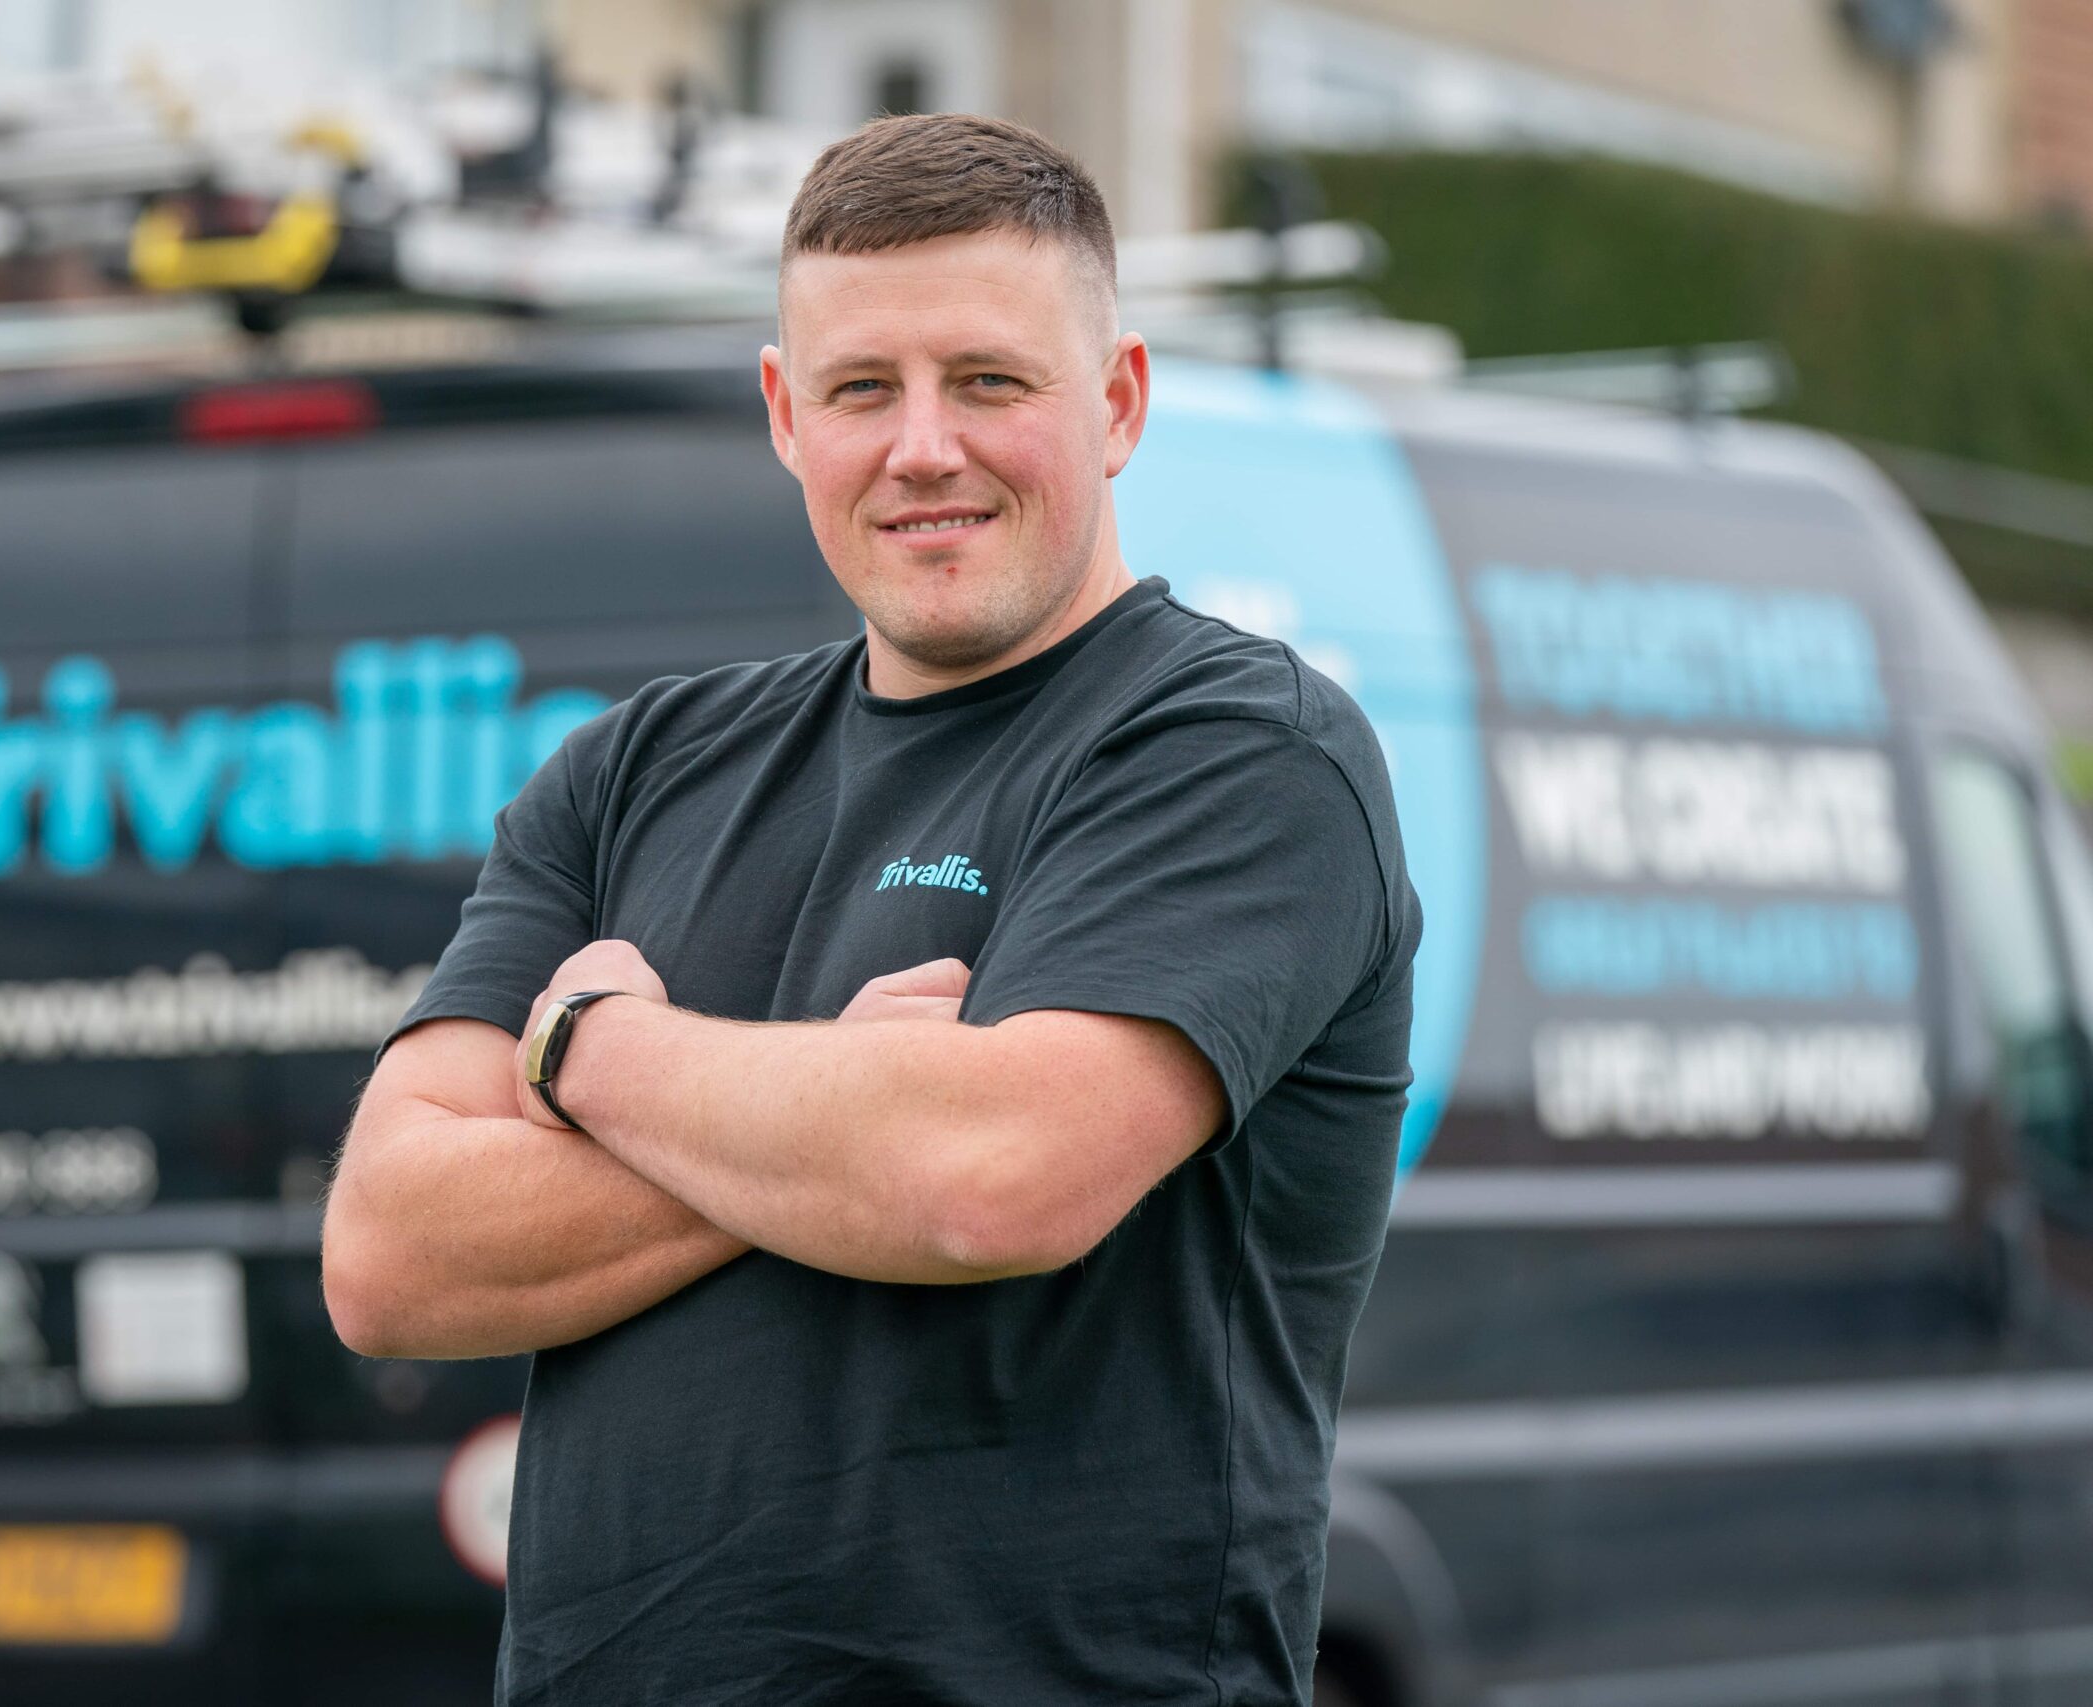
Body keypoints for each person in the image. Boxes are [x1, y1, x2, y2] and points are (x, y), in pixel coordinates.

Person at [322, 111, 1420, 1707]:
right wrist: (835, 1106)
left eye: (989, 381)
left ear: (1115, 404)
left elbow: (982, 1177)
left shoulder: (1239, 752)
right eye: (861, 390)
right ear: (785, 415)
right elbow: (389, 1253)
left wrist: (591, 1055)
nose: (923, 448)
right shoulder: (633, 773)